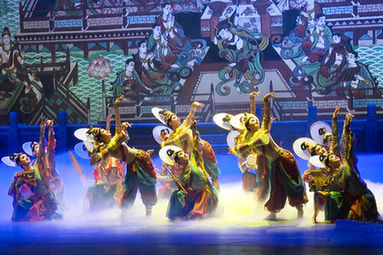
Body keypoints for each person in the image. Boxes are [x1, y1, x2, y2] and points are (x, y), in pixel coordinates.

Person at [230, 93, 308, 220]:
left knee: (291, 185)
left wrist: (266, 101)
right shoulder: (247, 137)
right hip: (272, 163)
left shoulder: (263, 130)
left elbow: (265, 115)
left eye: (256, 120)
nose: (256, 120)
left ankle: (300, 210)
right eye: (252, 120)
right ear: (248, 126)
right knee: (275, 187)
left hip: (284, 158)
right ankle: (273, 212)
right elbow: (241, 148)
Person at [90, 96, 157, 216]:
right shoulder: (109, 149)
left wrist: (116, 107)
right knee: (131, 187)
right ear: (101, 138)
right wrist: (95, 145)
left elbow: (118, 125)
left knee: (146, 184)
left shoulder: (113, 139)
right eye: (103, 132)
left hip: (139, 157)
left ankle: (148, 212)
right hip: (135, 162)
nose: (106, 131)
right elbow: (93, 161)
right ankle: (124, 214)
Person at [309, 113, 380, 222]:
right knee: (333, 196)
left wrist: (342, 124)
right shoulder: (329, 158)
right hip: (342, 184)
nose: (331, 139)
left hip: (354, 186)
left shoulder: (343, 161)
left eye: (331, 137)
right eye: (328, 138)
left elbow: (343, 144)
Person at [152, 101, 220, 190]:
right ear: (170, 123)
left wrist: (194, 105)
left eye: (176, 116)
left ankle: (213, 191)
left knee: (211, 175)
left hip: (201, 150)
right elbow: (166, 147)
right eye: (173, 118)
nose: (176, 118)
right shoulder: (172, 137)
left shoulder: (184, 125)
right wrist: (164, 141)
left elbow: (190, 115)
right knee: (195, 178)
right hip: (189, 157)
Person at [6, 121, 62, 221]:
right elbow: (10, 193)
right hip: (38, 200)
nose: (26, 157)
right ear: (19, 163)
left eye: (26, 155)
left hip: (48, 197)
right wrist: (15, 180)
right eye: (23, 157)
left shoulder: (37, 166)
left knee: (55, 217)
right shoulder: (23, 176)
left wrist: (42, 132)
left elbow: (42, 151)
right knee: (21, 210)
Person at [159, 143, 218, 220]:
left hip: (202, 194)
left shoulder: (193, 169)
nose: (184, 155)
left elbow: (201, 184)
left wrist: (188, 188)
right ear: (179, 161)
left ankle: (188, 213)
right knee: (175, 194)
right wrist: (178, 183)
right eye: (181, 155)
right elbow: (184, 184)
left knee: (180, 195)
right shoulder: (184, 169)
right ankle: (178, 215)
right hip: (193, 192)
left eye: (183, 153)